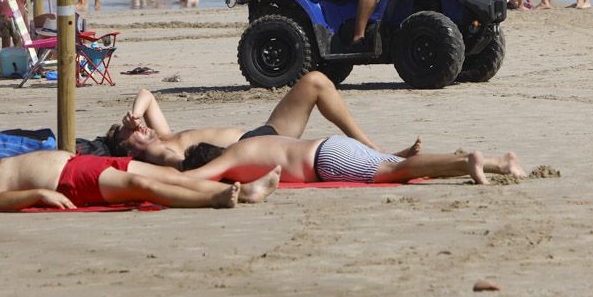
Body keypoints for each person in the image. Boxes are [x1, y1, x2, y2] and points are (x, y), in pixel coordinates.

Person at [104, 71, 421, 169]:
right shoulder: (157, 154)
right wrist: (142, 149)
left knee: (315, 81)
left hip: (262, 132)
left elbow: (146, 93)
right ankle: (385, 160)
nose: (140, 127)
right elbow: (178, 164)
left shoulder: (163, 134)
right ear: (128, 151)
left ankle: (378, 150)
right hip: (251, 149)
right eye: (130, 134)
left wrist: (133, 115)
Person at [0, 151, 281, 210]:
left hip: (80, 163)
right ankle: (216, 199)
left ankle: (245, 190)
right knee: (147, 189)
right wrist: (40, 194)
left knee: (170, 175)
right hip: (69, 179)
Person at [178, 134, 525, 186]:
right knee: (401, 167)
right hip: (330, 144)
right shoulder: (248, 143)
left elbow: (198, 178)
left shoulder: (230, 158)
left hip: (325, 161)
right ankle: (500, 163)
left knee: (398, 171)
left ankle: (469, 163)